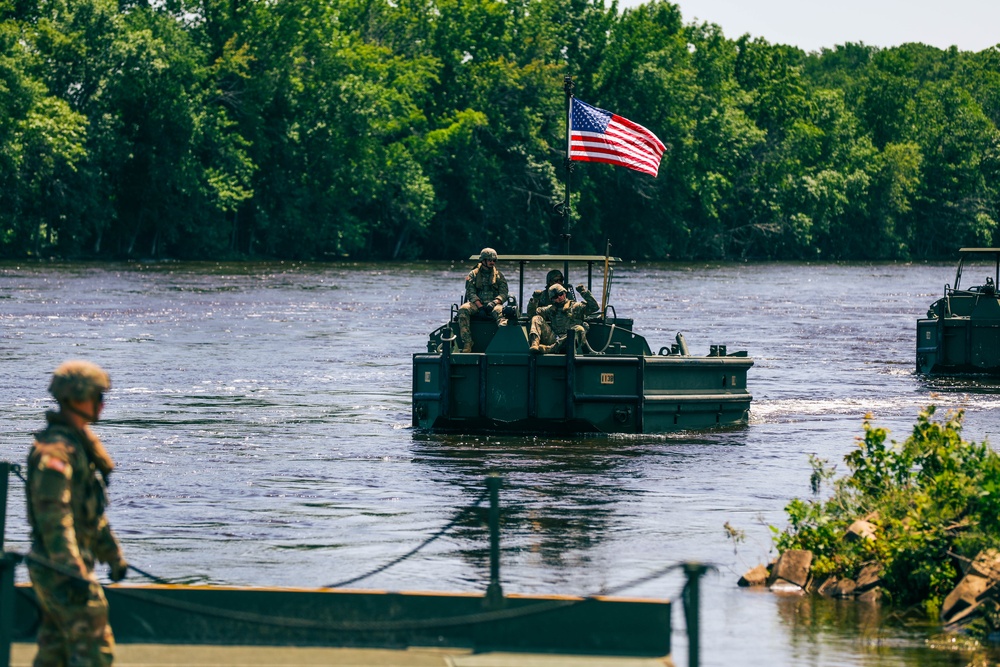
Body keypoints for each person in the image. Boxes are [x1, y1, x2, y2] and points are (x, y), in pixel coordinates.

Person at [26, 360, 128, 667]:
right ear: (77, 397)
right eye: (97, 396)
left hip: (62, 568)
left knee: (54, 653)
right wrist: (72, 570)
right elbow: (55, 518)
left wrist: (112, 556)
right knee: (94, 651)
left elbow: (89, 514)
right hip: (62, 570)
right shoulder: (56, 452)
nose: (102, 404)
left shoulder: (77, 447)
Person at [457, 248, 509, 353]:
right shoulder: (473, 274)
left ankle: (503, 343)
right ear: (483, 260)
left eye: (494, 260)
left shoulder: (499, 275)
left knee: (502, 314)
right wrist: (480, 307)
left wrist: (494, 302)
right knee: (463, 310)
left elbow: (504, 293)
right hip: (476, 304)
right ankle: (468, 342)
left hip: (494, 304)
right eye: (489, 260)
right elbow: (470, 292)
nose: (492, 262)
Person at [529, 283, 600, 354]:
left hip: (571, 341)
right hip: (554, 338)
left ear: (565, 293)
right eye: (555, 297)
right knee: (536, 318)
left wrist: (583, 292)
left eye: (561, 294)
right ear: (552, 299)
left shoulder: (576, 306)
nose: (559, 298)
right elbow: (532, 315)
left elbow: (595, 307)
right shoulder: (550, 309)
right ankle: (535, 344)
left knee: (579, 329)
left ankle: (551, 349)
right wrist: (535, 300)